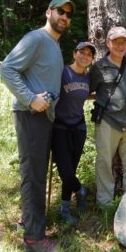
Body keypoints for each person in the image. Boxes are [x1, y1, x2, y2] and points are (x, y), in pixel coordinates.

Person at [0, 0, 75, 251]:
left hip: (44, 118)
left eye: (68, 14)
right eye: (60, 11)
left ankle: (27, 219)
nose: (64, 16)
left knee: (34, 172)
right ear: (48, 12)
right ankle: (33, 238)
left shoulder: (53, 45)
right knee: (34, 175)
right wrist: (31, 99)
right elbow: (7, 69)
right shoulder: (37, 39)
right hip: (30, 115)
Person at [89, 26, 126, 206]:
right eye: (116, 42)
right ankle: (104, 203)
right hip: (108, 121)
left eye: (123, 42)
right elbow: (87, 89)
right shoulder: (98, 67)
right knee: (104, 163)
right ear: (108, 43)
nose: (120, 46)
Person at [51, 42, 96, 226]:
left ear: (92, 59)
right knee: (66, 172)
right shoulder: (62, 72)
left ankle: (65, 208)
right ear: (74, 53)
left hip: (79, 127)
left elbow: (90, 93)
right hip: (60, 127)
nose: (85, 56)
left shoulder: (88, 77)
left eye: (89, 54)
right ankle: (80, 190)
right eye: (82, 52)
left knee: (72, 169)